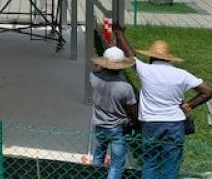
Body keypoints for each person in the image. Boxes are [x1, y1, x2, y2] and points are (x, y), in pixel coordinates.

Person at [114, 26, 212, 179]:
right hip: (175, 124)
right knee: (171, 164)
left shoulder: (145, 70)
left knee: (150, 162)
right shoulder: (181, 74)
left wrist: (119, 33)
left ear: (151, 57)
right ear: (168, 58)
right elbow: (208, 91)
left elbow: (130, 55)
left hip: (151, 124)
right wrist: (189, 105)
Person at [89, 47, 138, 179]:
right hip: (118, 127)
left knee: (98, 157)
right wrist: (134, 122)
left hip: (99, 123)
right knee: (116, 165)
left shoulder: (94, 78)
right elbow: (131, 110)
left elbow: (96, 70)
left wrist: (102, 65)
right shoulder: (125, 87)